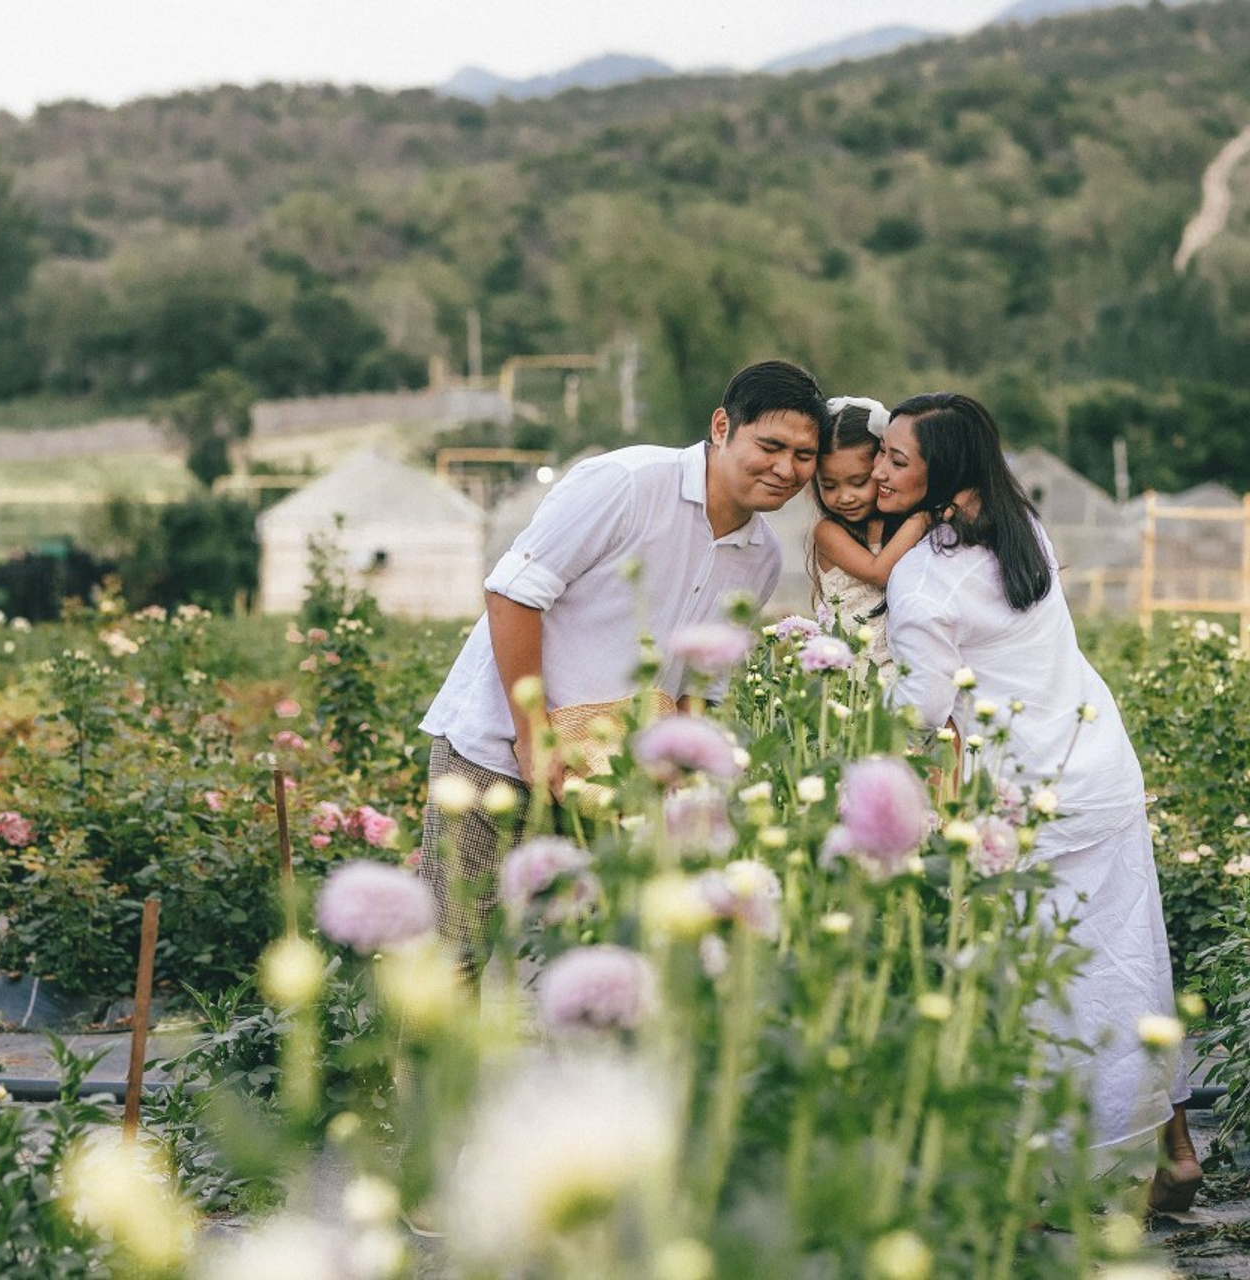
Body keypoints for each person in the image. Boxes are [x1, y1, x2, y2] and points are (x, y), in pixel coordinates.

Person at [872, 390, 1201, 1211]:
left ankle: (1083, 1180)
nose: (878, 471)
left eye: (896, 460)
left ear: (945, 476)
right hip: (1099, 773)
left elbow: (917, 711)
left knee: (1046, 990)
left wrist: (851, 707)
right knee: (1129, 969)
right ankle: (1171, 1156)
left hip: (1025, 804)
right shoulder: (1026, 533)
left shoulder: (924, 578)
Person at [418, 359, 830, 980]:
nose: (785, 469)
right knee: (455, 957)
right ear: (722, 427)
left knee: (591, 961)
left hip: (611, 784)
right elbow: (513, 594)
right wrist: (534, 738)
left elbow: (700, 687)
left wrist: (685, 779)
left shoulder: (762, 558)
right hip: (498, 750)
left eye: (804, 456)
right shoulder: (628, 484)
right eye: (770, 446)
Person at [807, 395, 945, 673]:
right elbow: (878, 572)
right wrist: (922, 518)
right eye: (829, 485)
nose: (845, 496)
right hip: (856, 668)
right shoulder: (829, 532)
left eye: (858, 482)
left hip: (905, 661)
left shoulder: (899, 524)